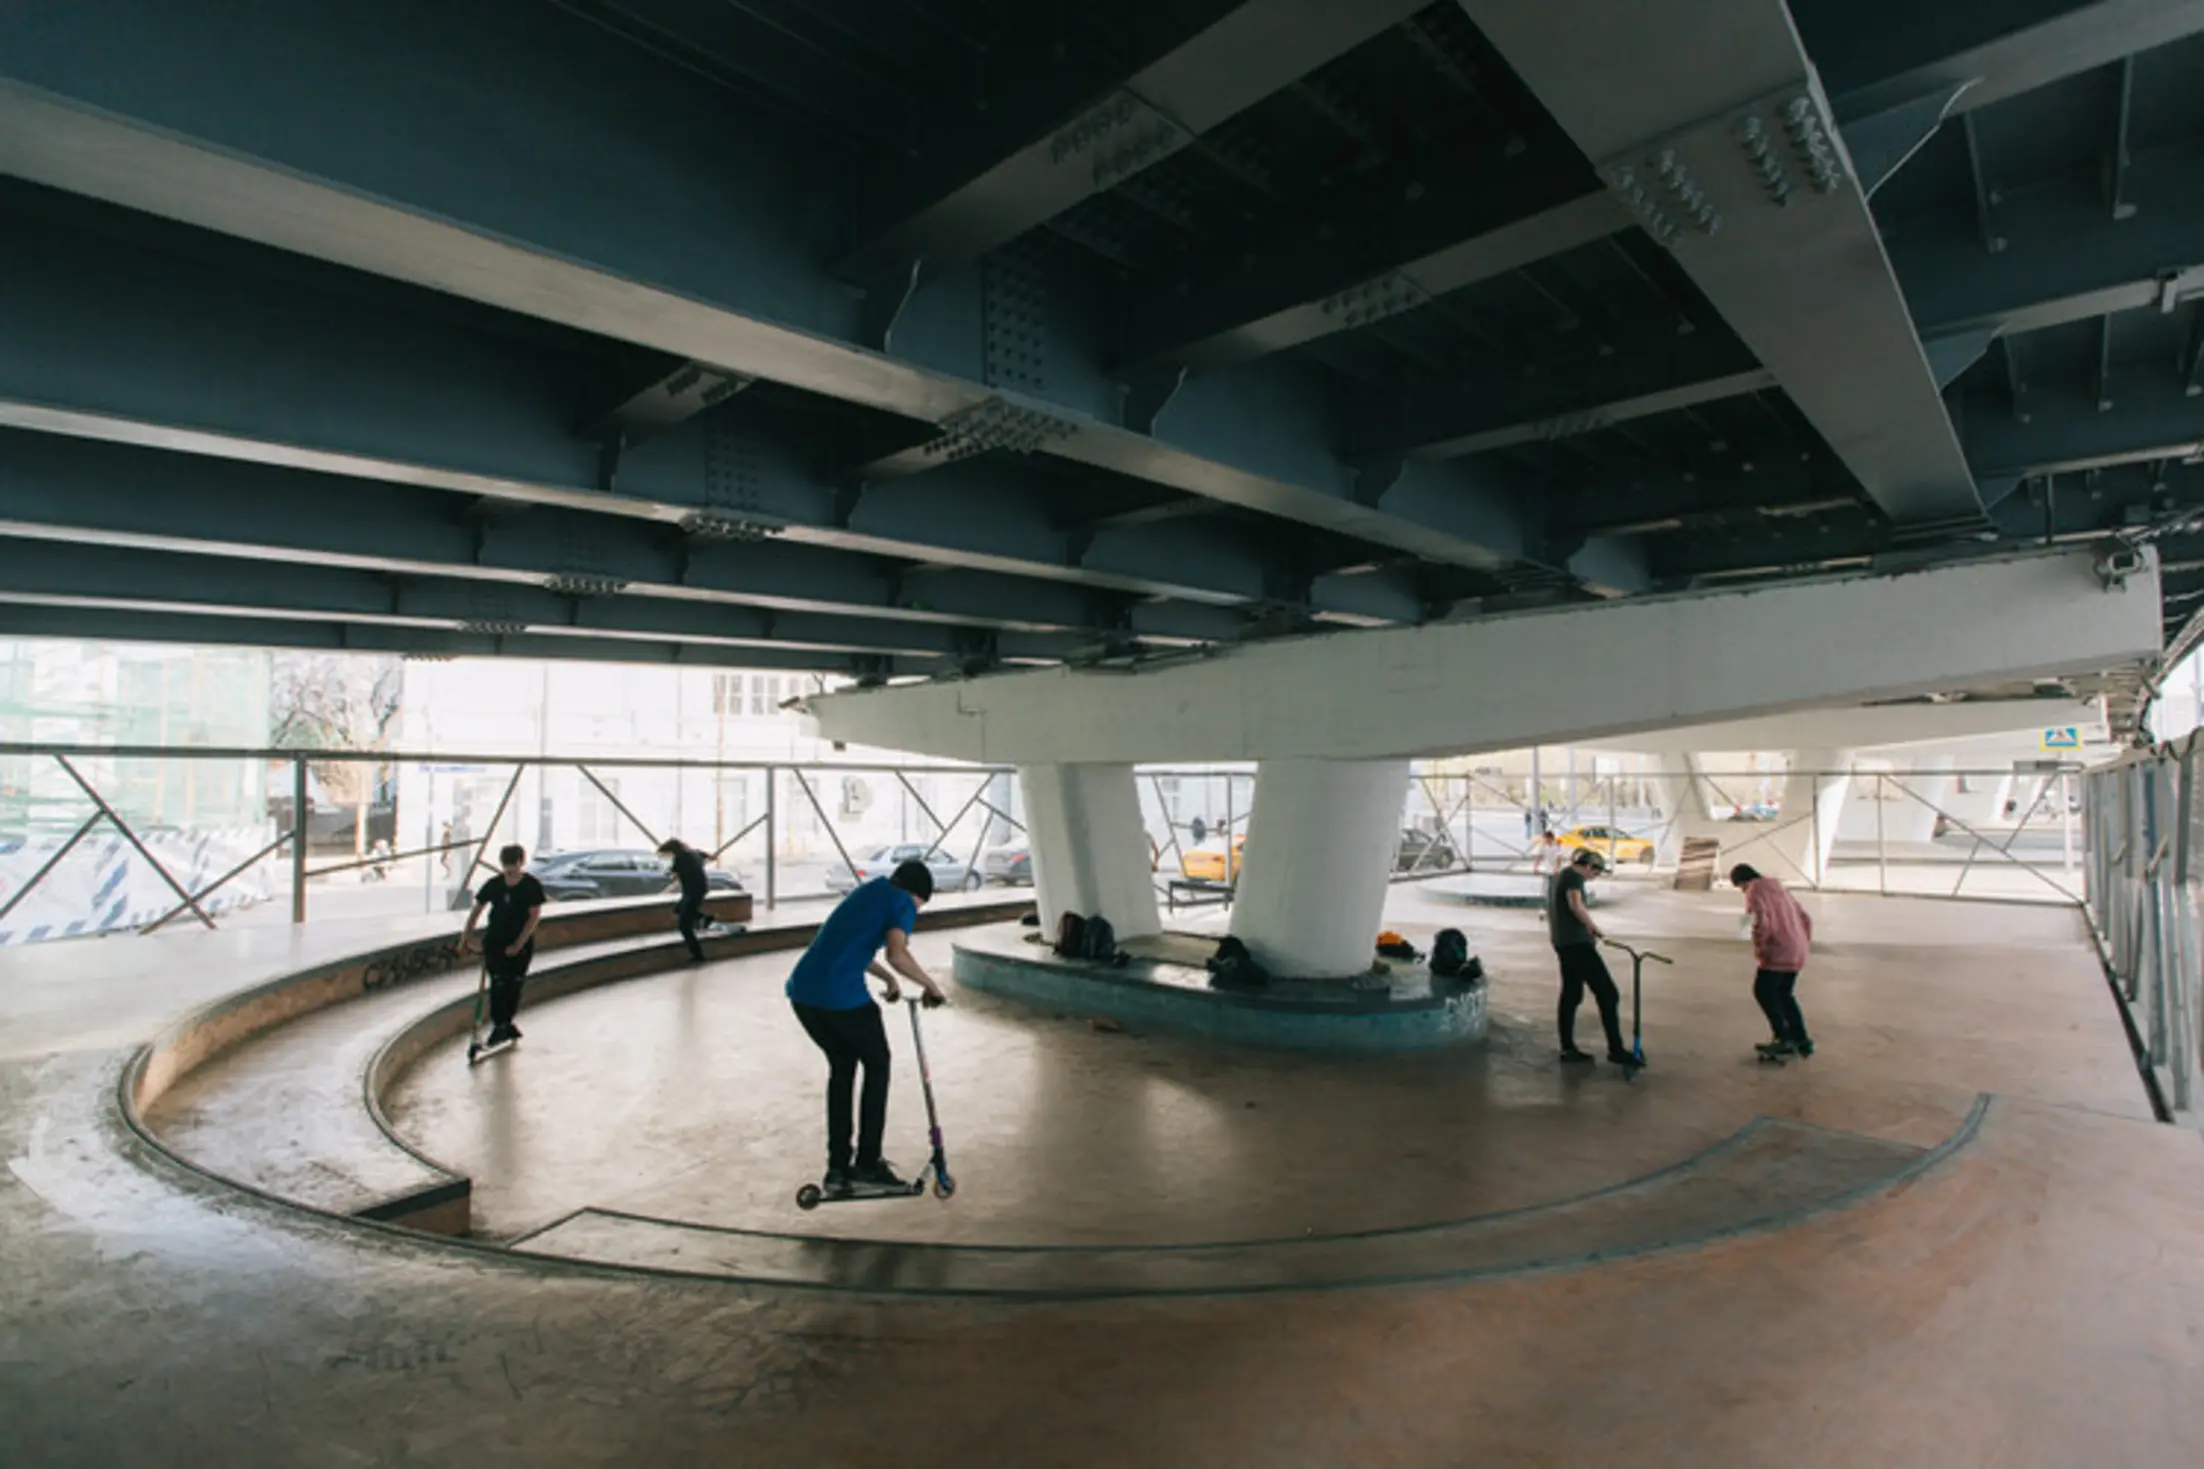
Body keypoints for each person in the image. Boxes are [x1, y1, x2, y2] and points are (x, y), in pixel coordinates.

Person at [786, 859, 947, 1196]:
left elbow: (851, 947)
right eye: (920, 905)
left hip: (803, 995)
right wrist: (932, 987)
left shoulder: (869, 892)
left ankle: (837, 1169)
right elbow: (897, 953)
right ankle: (868, 1164)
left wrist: (887, 979)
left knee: (843, 1069)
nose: (915, 913)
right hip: (840, 998)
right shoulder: (902, 902)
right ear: (917, 894)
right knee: (878, 1065)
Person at [1548, 848, 1632, 1066]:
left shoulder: (1559, 876)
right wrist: (1592, 927)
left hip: (1563, 943)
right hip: (1577, 945)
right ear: (1588, 867)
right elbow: (1575, 904)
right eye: (1594, 874)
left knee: (1572, 994)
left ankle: (1568, 1048)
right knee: (1608, 993)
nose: (1592, 878)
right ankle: (1616, 1049)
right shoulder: (1573, 877)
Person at [459, 844, 544, 1048]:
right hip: (495, 940)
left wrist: (518, 943)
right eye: (506, 866)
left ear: (520, 863)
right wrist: (466, 936)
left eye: (513, 866)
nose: (509, 871)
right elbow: (477, 909)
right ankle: (501, 1025)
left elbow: (534, 917)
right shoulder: (494, 884)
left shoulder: (531, 885)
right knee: (497, 982)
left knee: (513, 984)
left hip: (519, 943)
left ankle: (506, 1023)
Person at [1731, 863, 1815, 1059]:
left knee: (1763, 991)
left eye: (1740, 888)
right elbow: (1806, 918)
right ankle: (1801, 1039)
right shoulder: (1780, 888)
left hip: (1777, 951)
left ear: (1743, 882)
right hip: (1796, 948)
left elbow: (1761, 922)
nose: (1742, 892)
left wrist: (1760, 949)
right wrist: (1803, 943)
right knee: (1784, 994)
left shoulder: (1754, 891)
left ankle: (1782, 1037)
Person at [658, 838, 711, 962]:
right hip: (699, 889)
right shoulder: (693, 853)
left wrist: (672, 873)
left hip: (691, 892)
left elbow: (672, 872)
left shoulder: (680, 858)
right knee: (678, 909)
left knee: (684, 927)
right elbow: (705, 855)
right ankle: (704, 918)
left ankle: (698, 955)